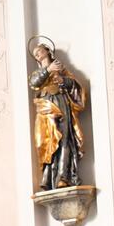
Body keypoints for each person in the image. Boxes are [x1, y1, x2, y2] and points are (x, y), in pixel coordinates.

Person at [29, 37, 87, 190]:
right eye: (35, 54)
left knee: (65, 139)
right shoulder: (38, 72)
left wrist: (63, 80)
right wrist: (48, 70)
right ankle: (48, 178)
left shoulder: (61, 68)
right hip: (45, 106)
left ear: (47, 50)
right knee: (47, 141)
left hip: (61, 102)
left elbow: (73, 84)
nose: (37, 54)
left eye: (39, 51)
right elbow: (34, 82)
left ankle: (63, 177)